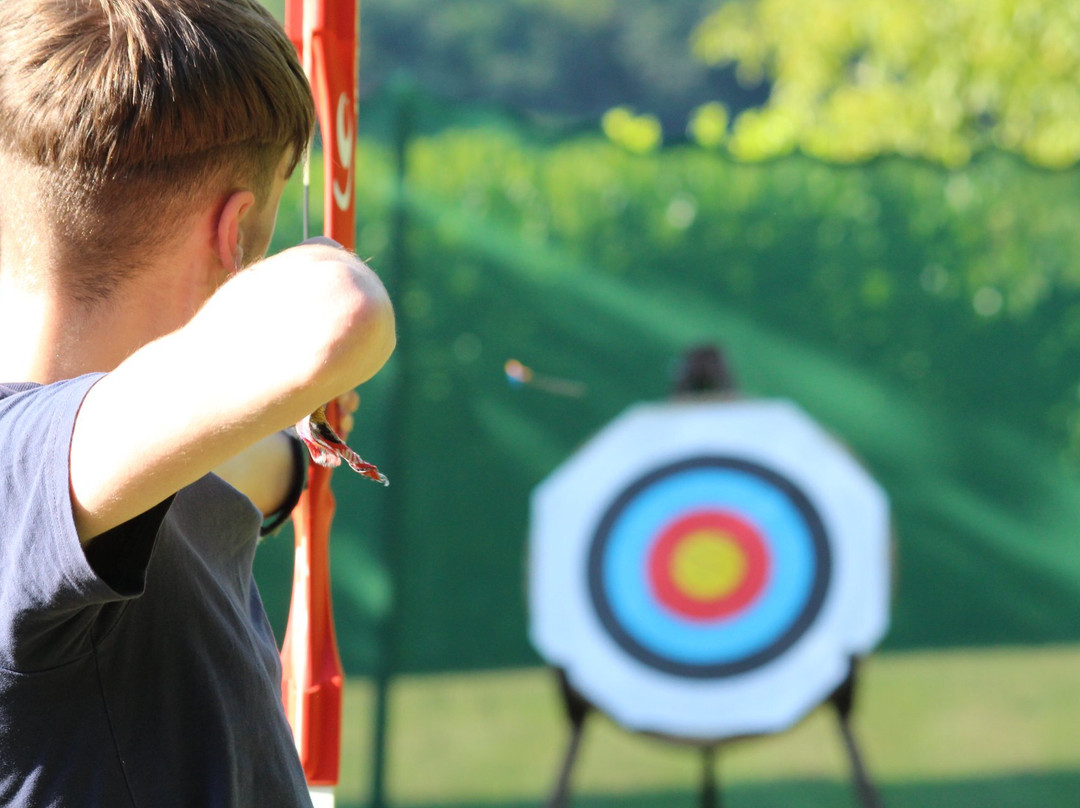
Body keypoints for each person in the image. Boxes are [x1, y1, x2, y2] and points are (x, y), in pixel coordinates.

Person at [0, 0, 395, 805]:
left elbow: (200, 473)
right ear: (234, 228)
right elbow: (336, 313)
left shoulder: (96, 480)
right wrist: (309, 283)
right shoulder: (25, 467)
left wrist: (292, 438)